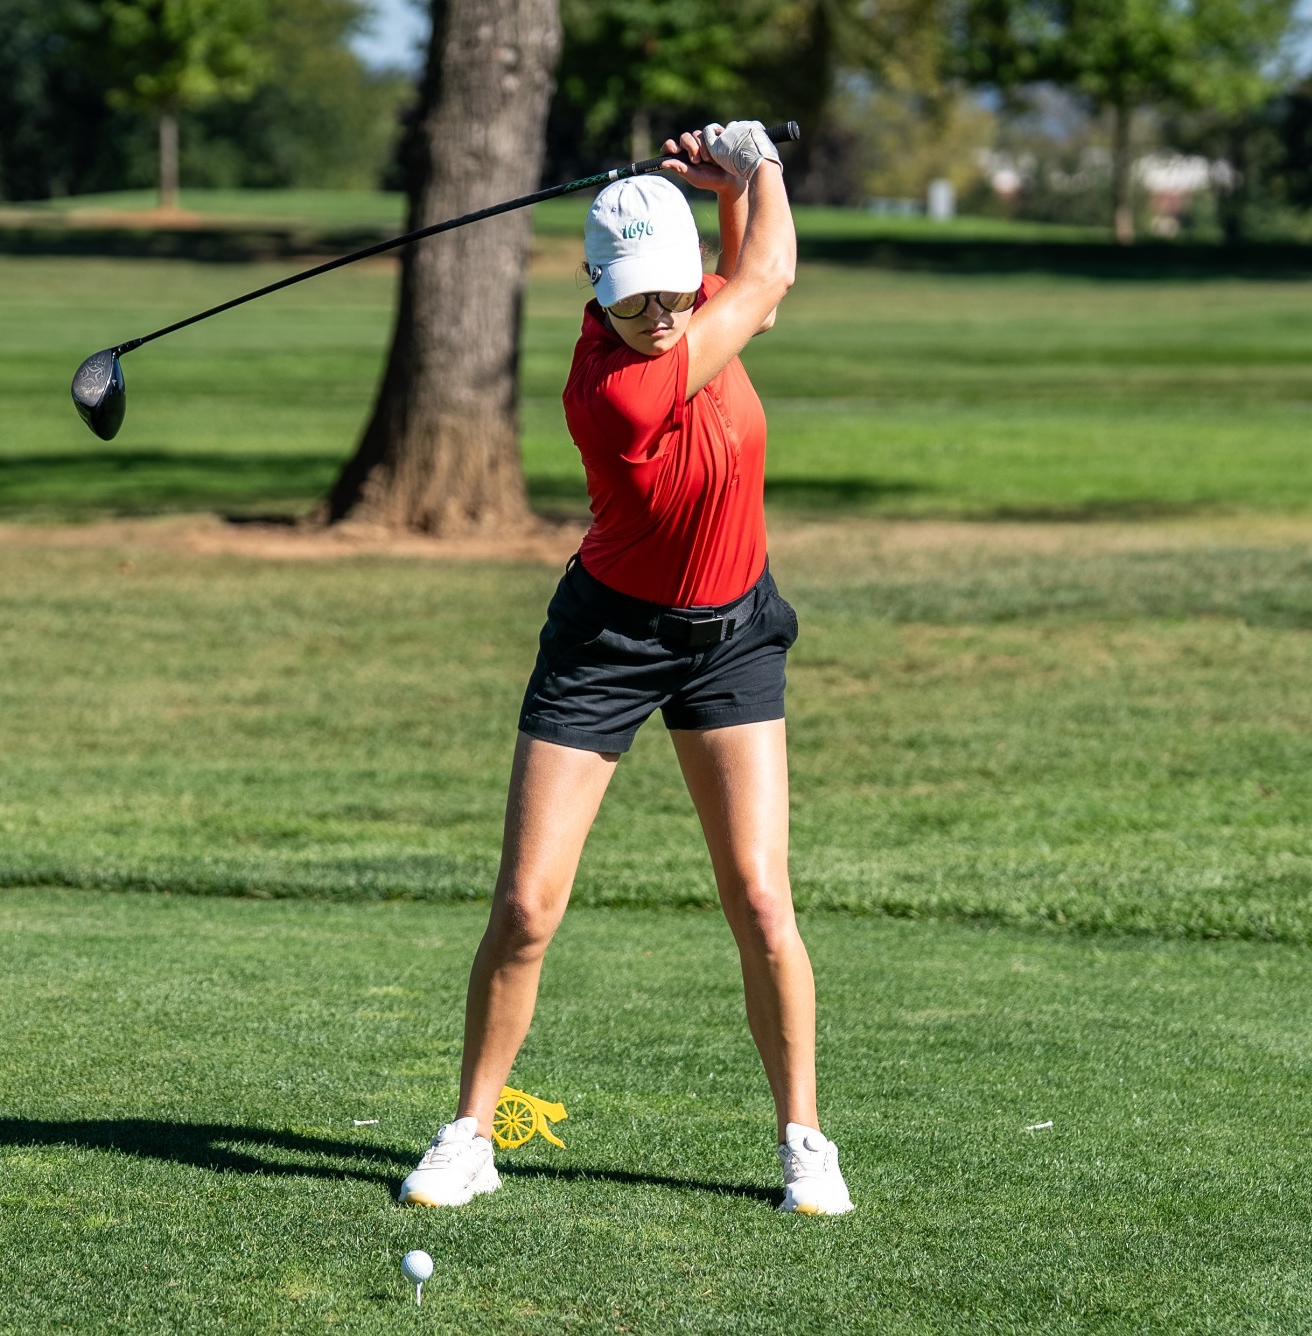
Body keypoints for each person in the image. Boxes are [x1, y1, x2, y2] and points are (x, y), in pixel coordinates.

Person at [395, 121, 854, 1216]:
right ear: (594, 293)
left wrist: (723, 187)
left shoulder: (693, 311)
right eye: (635, 301)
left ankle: (804, 1140)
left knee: (757, 895)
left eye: (673, 294)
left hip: (733, 635)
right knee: (525, 905)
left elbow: (749, 279)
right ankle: (469, 1130)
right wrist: (757, 164)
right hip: (605, 643)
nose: (660, 317)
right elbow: (774, 271)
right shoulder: (617, 390)